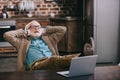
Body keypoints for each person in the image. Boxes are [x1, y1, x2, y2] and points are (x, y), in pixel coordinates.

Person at [3, 20, 80, 71]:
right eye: (33, 27)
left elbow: (63, 29)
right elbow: (7, 35)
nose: (36, 29)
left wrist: (46, 30)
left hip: (53, 63)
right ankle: (77, 59)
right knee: (54, 60)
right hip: (35, 65)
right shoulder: (22, 43)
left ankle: (80, 58)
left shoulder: (50, 39)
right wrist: (24, 32)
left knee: (73, 62)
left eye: (38, 27)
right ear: (28, 29)